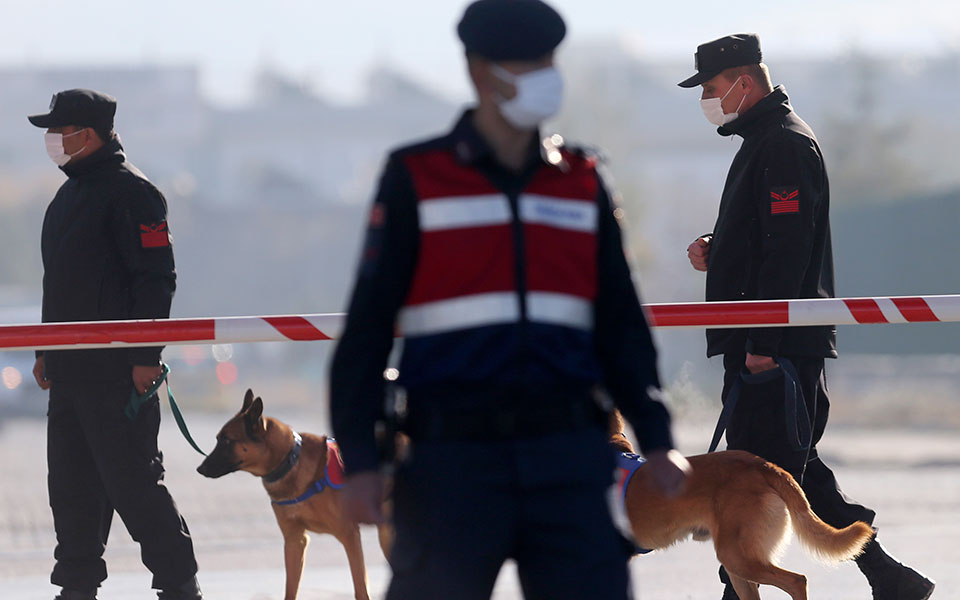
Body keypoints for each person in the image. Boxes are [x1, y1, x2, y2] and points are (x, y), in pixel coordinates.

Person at [329, 1, 689, 598]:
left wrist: (657, 438)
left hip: (569, 454)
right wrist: (362, 460)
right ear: (478, 72)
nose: (543, 75)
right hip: (452, 461)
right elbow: (366, 332)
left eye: (547, 61)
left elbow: (621, 326)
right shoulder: (416, 178)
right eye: (524, 64)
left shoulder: (582, 182)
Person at [680, 34, 935, 600]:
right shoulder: (764, 140)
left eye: (713, 88)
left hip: (775, 347)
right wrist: (716, 248)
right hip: (768, 341)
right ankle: (891, 578)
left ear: (745, 83)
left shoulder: (785, 144)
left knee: (754, 477)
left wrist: (765, 340)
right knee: (793, 475)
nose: (707, 99)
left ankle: (739, 591)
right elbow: (766, 239)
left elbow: (789, 250)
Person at [28, 89, 202, 600]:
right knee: (70, 487)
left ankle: (178, 584)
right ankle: (77, 586)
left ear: (90, 133)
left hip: (116, 372)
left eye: (62, 132)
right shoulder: (67, 197)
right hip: (70, 373)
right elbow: (56, 283)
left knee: (134, 486)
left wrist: (146, 357)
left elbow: (156, 279)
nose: (54, 141)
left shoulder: (135, 194)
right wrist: (45, 349)